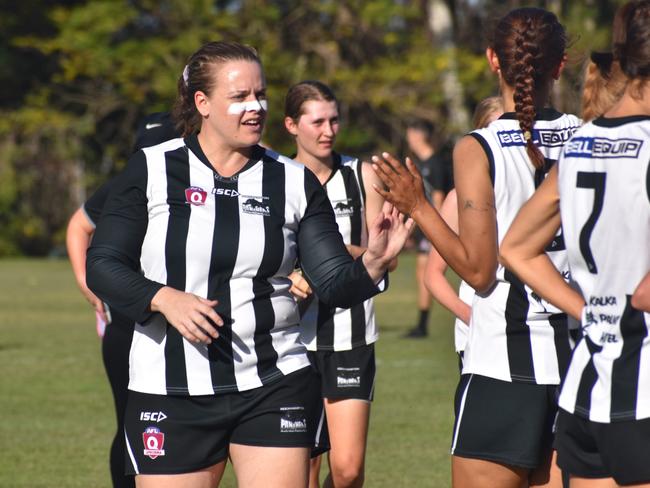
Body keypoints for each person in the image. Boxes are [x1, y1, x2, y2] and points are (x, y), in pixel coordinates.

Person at [85, 41, 412, 488]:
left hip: (274, 381)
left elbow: (334, 282)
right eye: (239, 97)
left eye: (259, 95)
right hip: (171, 388)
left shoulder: (294, 181)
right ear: (202, 103)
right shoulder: (152, 169)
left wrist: (373, 263)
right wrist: (163, 298)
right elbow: (102, 264)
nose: (254, 107)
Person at [371, 8, 581, 488]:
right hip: (577, 365)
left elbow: (480, 272)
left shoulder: (479, 148)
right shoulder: (588, 137)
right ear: (560, 65)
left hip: (502, 367)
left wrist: (419, 206)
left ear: (492, 60)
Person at [500, 2, 650, 485]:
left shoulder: (581, 144)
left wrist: (589, 312)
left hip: (587, 388)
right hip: (643, 390)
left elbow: (516, 248)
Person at [65, 111, 179, 488]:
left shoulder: (189, 183)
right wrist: (86, 283)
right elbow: (79, 225)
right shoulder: (125, 184)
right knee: (131, 420)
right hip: (125, 323)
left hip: (177, 322)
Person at [283, 80, 388, 488]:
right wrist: (292, 275)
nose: (329, 130)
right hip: (291, 340)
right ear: (292, 125)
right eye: (317, 122)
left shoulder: (362, 176)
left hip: (351, 335)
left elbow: (383, 254)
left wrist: (330, 255)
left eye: (334, 120)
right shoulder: (277, 176)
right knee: (300, 469)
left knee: (347, 470)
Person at [423, 96, 504, 368]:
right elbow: (433, 275)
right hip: (479, 337)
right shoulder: (458, 199)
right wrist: (472, 316)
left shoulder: (536, 190)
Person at [403, 119, 452, 338]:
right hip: (425, 227)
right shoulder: (420, 163)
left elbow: (439, 198)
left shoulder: (436, 163)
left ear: (417, 134)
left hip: (435, 226)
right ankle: (421, 323)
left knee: (429, 273)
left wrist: (437, 231)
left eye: (410, 134)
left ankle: (424, 324)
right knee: (422, 273)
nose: (408, 139)